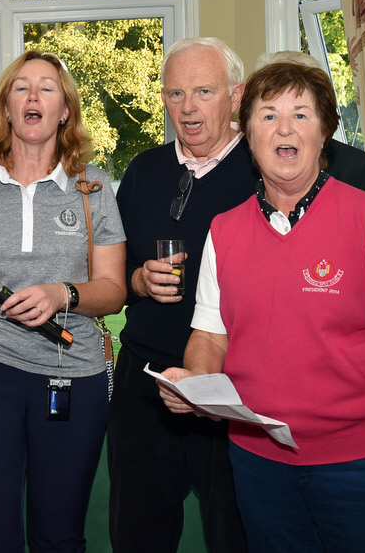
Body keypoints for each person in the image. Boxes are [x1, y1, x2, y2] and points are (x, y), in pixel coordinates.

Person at [159, 61, 365, 552]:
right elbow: (210, 336)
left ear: (324, 133)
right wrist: (196, 383)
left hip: (363, 464)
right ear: (248, 134)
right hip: (259, 467)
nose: (284, 128)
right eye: (268, 115)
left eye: (301, 115)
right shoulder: (224, 230)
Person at [0, 50, 127, 552]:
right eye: (21, 87)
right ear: (7, 109)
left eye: (47, 87)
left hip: (72, 376)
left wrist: (64, 294)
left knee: (58, 535)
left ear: (64, 110)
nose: (33, 96)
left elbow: (114, 291)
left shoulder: (94, 187)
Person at [109, 37, 254, 553]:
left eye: (203, 91)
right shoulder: (144, 170)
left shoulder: (264, 172)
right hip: (145, 380)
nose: (187, 107)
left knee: (235, 532)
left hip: (232, 385)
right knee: (137, 533)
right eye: (175, 94)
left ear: (236, 96)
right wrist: (138, 281)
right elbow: (111, 271)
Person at [256, 50, 365, 211]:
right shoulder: (245, 166)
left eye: (299, 113)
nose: (285, 128)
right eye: (272, 114)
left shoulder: (360, 170)